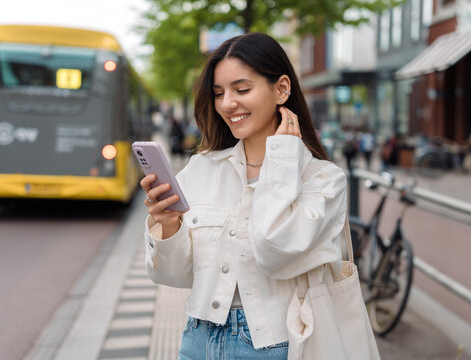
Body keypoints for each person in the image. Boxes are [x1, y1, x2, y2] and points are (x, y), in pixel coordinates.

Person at [140, 33, 348, 359]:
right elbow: (171, 274)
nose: (226, 104)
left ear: (281, 89)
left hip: (275, 345)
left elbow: (273, 250)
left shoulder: (323, 180)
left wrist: (281, 161)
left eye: (242, 89)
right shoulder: (202, 168)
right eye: (219, 93)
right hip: (197, 338)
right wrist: (168, 226)